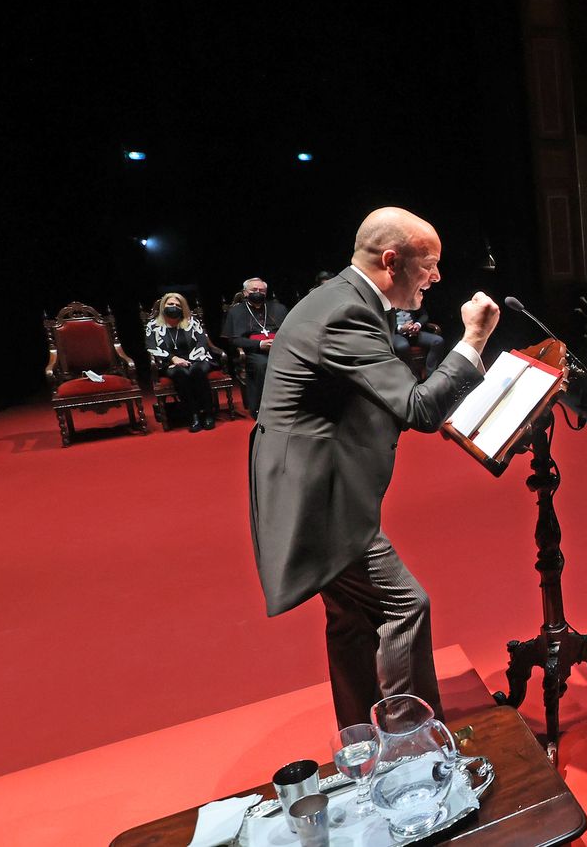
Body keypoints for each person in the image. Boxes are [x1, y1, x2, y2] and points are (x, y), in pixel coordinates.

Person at [248, 206, 500, 728]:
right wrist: (473, 340)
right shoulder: (345, 311)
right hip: (318, 500)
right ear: (392, 260)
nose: (437, 277)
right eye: (429, 265)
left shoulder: (349, 299)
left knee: (352, 619)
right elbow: (419, 409)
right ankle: (414, 751)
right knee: (406, 605)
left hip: (310, 485)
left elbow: (385, 402)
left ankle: (362, 739)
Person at [145, 292, 220, 431]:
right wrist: (173, 358)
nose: (174, 307)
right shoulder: (153, 325)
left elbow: (202, 342)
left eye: (177, 305)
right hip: (170, 362)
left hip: (197, 358)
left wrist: (190, 360)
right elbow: (151, 347)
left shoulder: (191, 321)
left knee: (197, 371)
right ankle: (193, 416)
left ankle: (209, 414)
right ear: (163, 306)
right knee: (181, 375)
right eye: (170, 304)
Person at [222, 277, 289, 415]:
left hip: (281, 349)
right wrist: (259, 344)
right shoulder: (236, 312)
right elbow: (234, 340)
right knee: (262, 364)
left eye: (262, 290)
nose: (258, 292)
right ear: (245, 292)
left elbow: (290, 331)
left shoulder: (278, 308)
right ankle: (261, 407)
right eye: (254, 290)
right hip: (254, 351)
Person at [391, 306, 449, 379]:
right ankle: (414, 377)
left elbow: (424, 315)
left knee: (438, 341)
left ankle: (431, 376)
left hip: (414, 332)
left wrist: (417, 325)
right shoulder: (389, 301)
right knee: (402, 346)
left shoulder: (410, 298)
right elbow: (385, 320)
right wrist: (401, 328)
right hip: (397, 333)